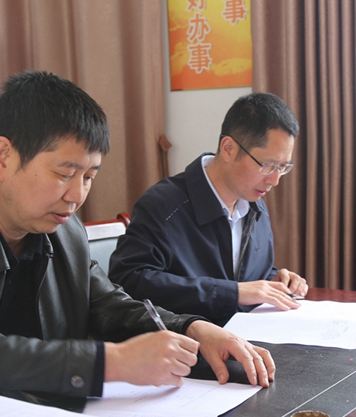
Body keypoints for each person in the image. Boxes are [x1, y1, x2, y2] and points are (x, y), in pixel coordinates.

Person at [0, 72, 275, 409]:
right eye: (64, 173)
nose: (76, 195)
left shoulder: (63, 230)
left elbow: (107, 304)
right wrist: (110, 362)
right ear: (4, 156)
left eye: (89, 176)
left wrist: (192, 328)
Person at [109, 92, 308, 326]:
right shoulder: (164, 205)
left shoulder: (256, 206)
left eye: (283, 167)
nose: (274, 180)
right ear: (228, 148)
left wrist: (274, 280)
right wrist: (232, 292)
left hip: (248, 335)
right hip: (188, 341)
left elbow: (242, 276)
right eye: (267, 165)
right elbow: (128, 280)